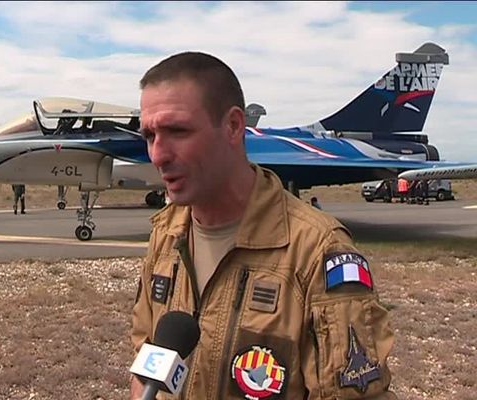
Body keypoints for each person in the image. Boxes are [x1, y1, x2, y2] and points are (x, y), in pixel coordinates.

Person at [131, 52, 397, 399]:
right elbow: (144, 355)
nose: (158, 155)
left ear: (233, 126)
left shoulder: (316, 251)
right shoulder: (166, 235)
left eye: (177, 131)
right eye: (149, 136)